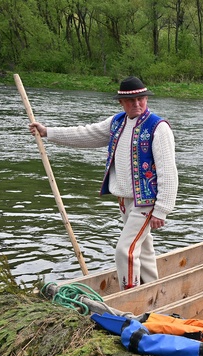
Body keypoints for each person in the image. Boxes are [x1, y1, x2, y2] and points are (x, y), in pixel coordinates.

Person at [28, 76, 178, 290]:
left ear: (146, 99)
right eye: (131, 101)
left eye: (141, 99)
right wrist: (48, 132)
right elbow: (86, 134)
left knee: (125, 250)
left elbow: (168, 172)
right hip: (125, 201)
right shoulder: (117, 123)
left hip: (147, 203)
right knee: (143, 251)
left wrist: (162, 209)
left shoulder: (158, 128)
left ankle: (131, 298)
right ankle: (155, 293)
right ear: (121, 103)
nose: (136, 104)